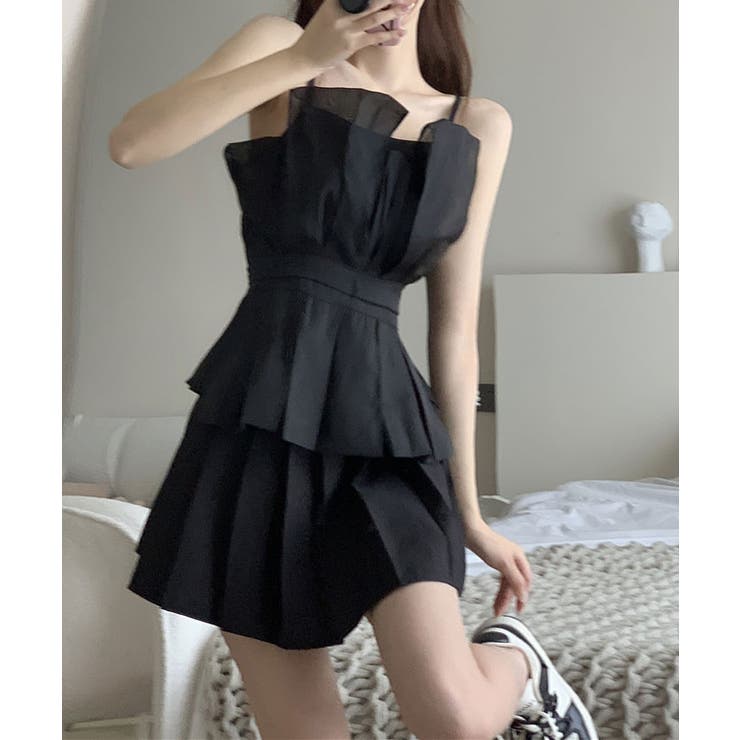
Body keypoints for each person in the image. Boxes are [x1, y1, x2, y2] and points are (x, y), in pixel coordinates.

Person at [110, 1, 598, 737]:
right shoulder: (282, 47)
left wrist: (468, 512)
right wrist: (305, 58)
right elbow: (132, 143)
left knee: (455, 719)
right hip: (258, 421)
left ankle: (516, 660)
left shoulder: (477, 123)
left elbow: (455, 332)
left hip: (387, 432)